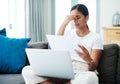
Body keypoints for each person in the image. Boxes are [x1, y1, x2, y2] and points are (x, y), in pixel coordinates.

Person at [22, 4, 103, 84]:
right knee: (27, 70)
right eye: (72, 18)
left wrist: (88, 60)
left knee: (91, 78)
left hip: (83, 70)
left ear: (87, 18)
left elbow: (93, 67)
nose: (75, 21)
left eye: (78, 17)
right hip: (64, 68)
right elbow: (56, 43)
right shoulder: (68, 33)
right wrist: (65, 22)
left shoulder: (95, 37)